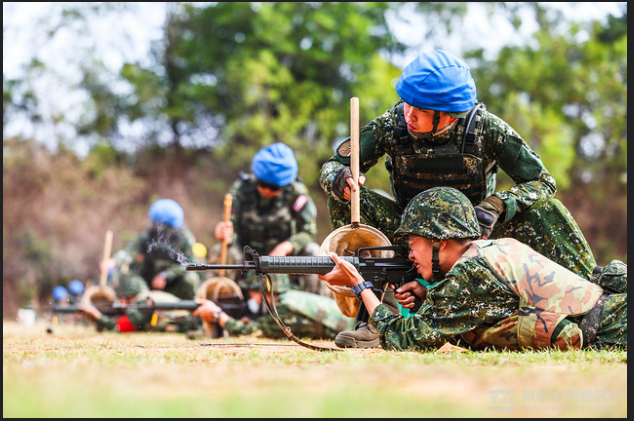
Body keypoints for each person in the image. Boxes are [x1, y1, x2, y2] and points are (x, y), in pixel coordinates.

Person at [319, 49, 598, 347]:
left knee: (546, 209)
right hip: (410, 233)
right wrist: (339, 179)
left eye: (422, 110)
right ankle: (374, 317)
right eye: (407, 105)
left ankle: (589, 298)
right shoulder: (392, 123)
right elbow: (335, 164)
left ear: (450, 115)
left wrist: (498, 206)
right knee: (345, 199)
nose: (409, 115)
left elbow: (542, 182)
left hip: (473, 240)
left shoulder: (486, 129)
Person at [318, 187, 626, 352]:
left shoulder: (470, 274)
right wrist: (428, 292)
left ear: (441, 240)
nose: (409, 251)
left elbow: (404, 338)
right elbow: (494, 307)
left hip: (616, 328)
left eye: (413, 241)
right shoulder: (490, 250)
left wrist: (360, 286)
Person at [212, 142, 330, 297]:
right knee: (220, 251)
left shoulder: (296, 194)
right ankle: (221, 305)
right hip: (247, 257)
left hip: (286, 260)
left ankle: (313, 310)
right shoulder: (241, 190)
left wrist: (286, 247)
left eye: (274, 188)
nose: (266, 191)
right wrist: (224, 234)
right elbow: (231, 226)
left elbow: (308, 231)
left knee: (315, 254)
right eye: (262, 184)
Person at [193, 271, 355, 340]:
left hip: (355, 333)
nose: (249, 296)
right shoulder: (290, 298)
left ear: (262, 290)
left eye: (252, 291)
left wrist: (217, 315)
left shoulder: (284, 309)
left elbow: (249, 333)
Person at [107, 198, 202, 300]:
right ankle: (142, 306)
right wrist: (115, 261)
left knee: (191, 278)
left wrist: (166, 275)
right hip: (148, 285)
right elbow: (130, 251)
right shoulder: (148, 236)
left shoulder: (185, 239)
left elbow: (189, 264)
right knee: (127, 277)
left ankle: (186, 310)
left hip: (175, 284)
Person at [78, 276, 199, 333]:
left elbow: (119, 328)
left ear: (131, 296)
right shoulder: (146, 297)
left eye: (125, 299)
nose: (122, 303)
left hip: (191, 323)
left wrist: (97, 316)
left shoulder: (144, 301)